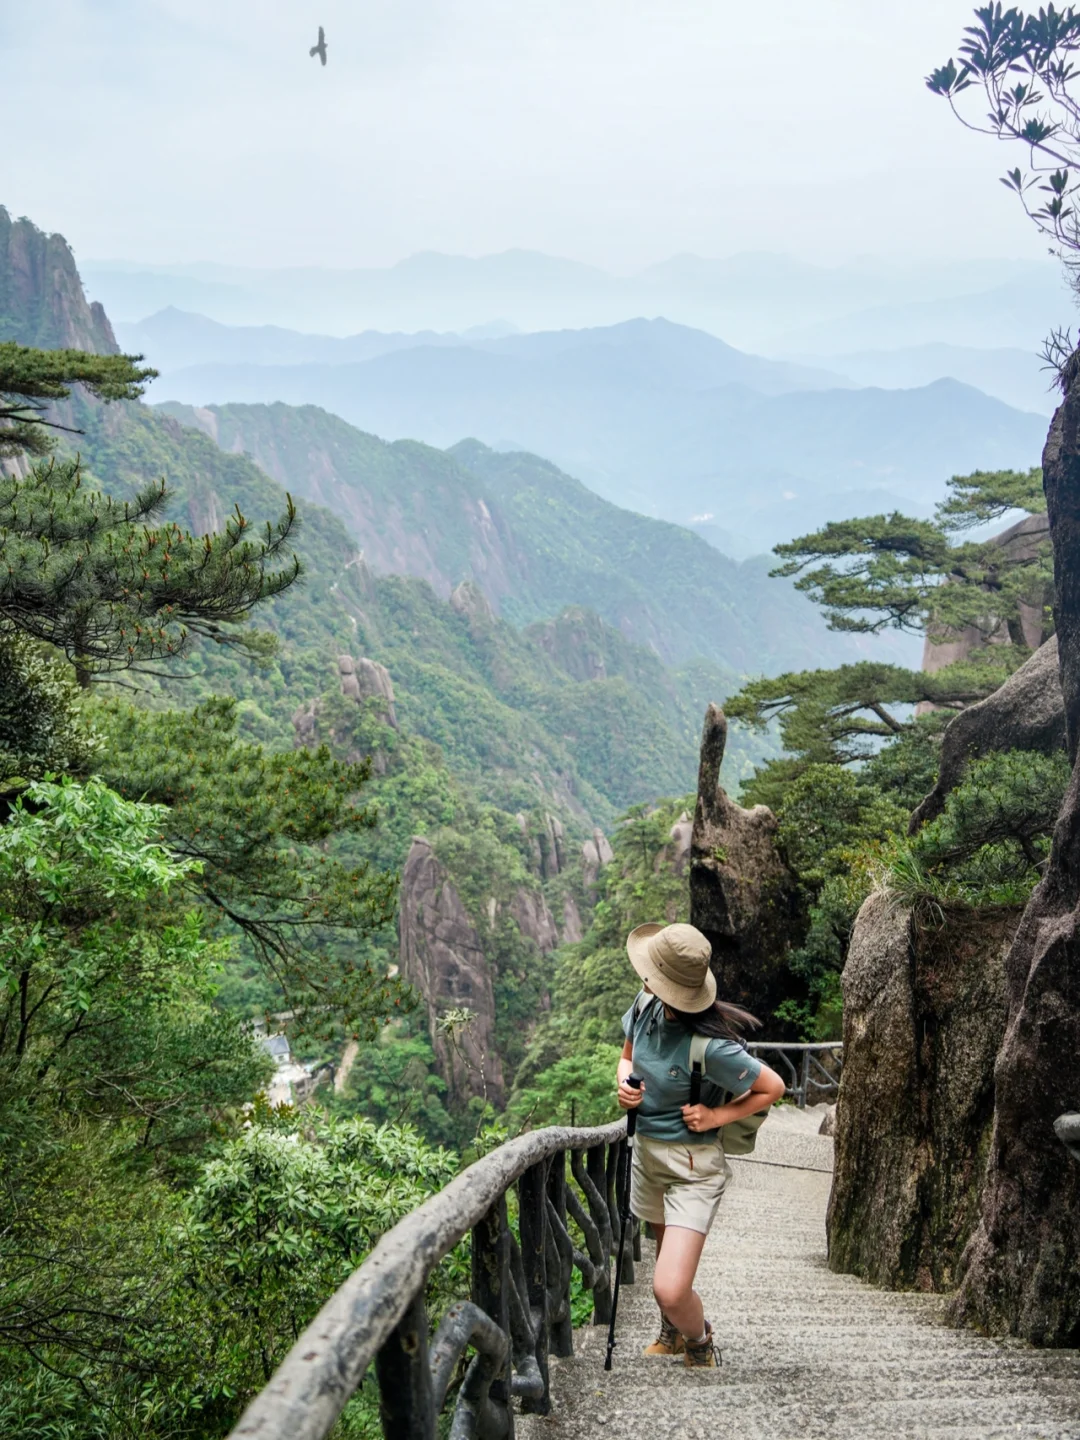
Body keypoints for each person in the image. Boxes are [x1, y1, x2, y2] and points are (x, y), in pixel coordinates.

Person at [616, 921, 784, 1368]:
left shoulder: (710, 1047)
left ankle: (700, 1341)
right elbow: (627, 1056)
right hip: (647, 1154)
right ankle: (672, 1330)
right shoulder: (646, 1004)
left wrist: (716, 1116)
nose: (645, 977)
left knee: (669, 1287)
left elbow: (773, 1086)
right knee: (660, 1248)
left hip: (693, 1166)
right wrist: (624, 1086)